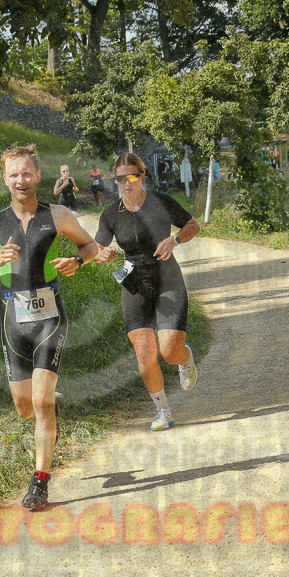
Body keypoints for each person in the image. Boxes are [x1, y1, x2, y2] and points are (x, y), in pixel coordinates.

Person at [0, 145, 98, 510]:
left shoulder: (58, 214)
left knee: (38, 401)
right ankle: (51, 403)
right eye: (13, 174)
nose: (20, 180)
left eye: (26, 173)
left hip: (50, 316)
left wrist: (76, 261)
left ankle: (40, 482)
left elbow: (91, 246)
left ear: (38, 176)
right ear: (5, 179)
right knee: (25, 407)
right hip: (13, 318)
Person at [93, 153, 200, 431]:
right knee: (144, 353)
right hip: (133, 282)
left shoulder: (160, 202)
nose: (125, 183)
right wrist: (101, 254)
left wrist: (174, 239)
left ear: (142, 176)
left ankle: (184, 357)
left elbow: (192, 225)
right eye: (119, 179)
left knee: (168, 351)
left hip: (167, 279)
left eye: (131, 177)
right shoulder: (111, 214)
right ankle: (163, 411)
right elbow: (96, 247)